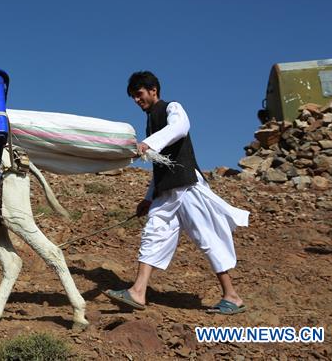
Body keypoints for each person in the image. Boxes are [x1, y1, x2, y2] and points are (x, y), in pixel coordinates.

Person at [104, 71, 250, 315]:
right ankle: (138, 292)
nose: (136, 100)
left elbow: (180, 128)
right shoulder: (151, 120)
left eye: (139, 94)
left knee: (207, 238)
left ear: (153, 90)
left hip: (187, 187)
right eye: (133, 97)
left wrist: (149, 143)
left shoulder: (172, 108)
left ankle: (232, 296)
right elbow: (159, 164)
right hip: (166, 193)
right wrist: (148, 198)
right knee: (153, 234)